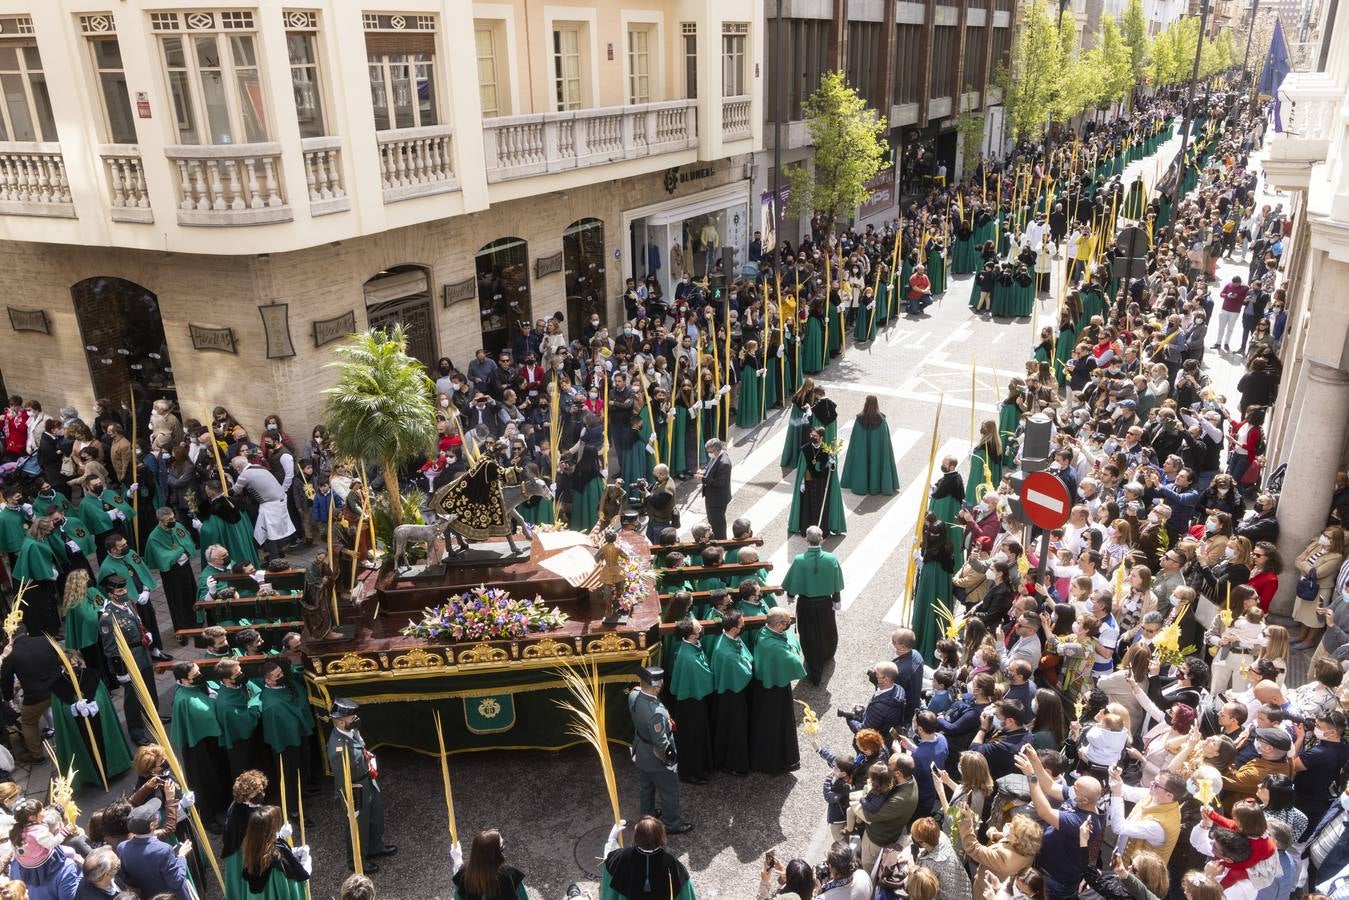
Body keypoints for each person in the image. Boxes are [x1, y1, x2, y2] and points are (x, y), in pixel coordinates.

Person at [327, 698, 397, 872]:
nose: (356, 719)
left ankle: (375, 847)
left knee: (375, 816)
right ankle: (357, 861)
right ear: (342, 722)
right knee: (358, 826)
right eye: (352, 717)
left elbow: (361, 749)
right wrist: (350, 802)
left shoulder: (352, 731)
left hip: (368, 780)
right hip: (355, 788)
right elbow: (342, 778)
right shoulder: (338, 747)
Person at [627, 667, 693, 835]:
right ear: (656, 687)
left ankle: (647, 815)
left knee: (646, 787)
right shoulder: (655, 713)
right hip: (655, 758)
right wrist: (670, 761)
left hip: (641, 752)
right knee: (669, 791)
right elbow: (661, 743)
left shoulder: (634, 695)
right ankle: (672, 823)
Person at [97, 573, 159, 745]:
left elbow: (137, 622)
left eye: (124, 588)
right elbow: (110, 649)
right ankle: (136, 730)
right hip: (129, 659)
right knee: (132, 697)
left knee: (150, 687)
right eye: (120, 590)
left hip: (143, 653)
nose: (124, 591)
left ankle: (152, 717)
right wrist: (120, 672)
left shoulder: (128, 603)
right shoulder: (108, 618)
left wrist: (145, 633)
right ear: (110, 594)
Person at [168, 661, 230, 828]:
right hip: (198, 745)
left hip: (211, 740)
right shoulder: (183, 699)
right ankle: (208, 818)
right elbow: (204, 714)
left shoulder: (199, 687)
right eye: (194, 675)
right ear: (183, 680)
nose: (199, 676)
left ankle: (222, 807)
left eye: (199, 672)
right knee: (204, 780)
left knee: (218, 773)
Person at [749, 608, 807, 775]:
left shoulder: (764, 632)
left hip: (767, 685)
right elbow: (794, 660)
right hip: (775, 689)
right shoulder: (774, 647)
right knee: (777, 726)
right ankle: (776, 762)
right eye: (786, 623)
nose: (788, 626)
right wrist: (794, 647)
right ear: (778, 624)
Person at [782, 526, 843, 685]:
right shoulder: (831, 559)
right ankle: (826, 654)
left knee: (809, 634)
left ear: (806, 539)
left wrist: (790, 595)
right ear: (822, 538)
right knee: (827, 630)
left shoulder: (799, 560)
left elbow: (793, 581)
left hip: (806, 604)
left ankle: (813, 665)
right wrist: (836, 599)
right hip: (825, 603)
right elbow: (836, 582)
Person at [599, 816, 695, 899]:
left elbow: (609, 859)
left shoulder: (622, 857)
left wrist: (612, 838)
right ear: (661, 837)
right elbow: (685, 892)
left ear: (636, 837)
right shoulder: (671, 863)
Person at [115, 798, 193, 899]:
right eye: (155, 815)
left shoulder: (122, 847)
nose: (157, 815)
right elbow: (176, 881)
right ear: (152, 825)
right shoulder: (164, 850)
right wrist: (182, 856)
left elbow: (127, 877)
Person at [667, 620, 714, 785]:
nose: (701, 628)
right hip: (691, 703)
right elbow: (706, 677)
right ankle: (692, 773)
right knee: (693, 737)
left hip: (690, 700)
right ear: (692, 635)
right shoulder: (689, 659)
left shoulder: (689, 646)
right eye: (697, 628)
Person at [141, 507, 199, 634]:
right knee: (176, 600)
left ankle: (196, 621)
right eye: (168, 520)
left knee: (190, 593)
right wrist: (179, 552)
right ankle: (181, 629)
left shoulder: (177, 526)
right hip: (171, 573)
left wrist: (185, 552)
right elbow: (162, 556)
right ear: (160, 521)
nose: (172, 521)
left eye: (173, 517)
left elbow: (187, 541)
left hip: (185, 567)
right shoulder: (154, 537)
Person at [710, 610, 753, 776]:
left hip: (730, 691)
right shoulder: (725, 653)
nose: (743, 625)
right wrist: (747, 663)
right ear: (734, 629)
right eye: (741, 624)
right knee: (735, 729)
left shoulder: (729, 637)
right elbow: (744, 671)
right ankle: (734, 764)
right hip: (731, 696)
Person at [230, 457, 295, 560]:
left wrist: (229, 480)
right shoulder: (259, 467)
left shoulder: (245, 475)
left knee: (269, 532)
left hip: (270, 504)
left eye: (234, 468)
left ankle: (275, 558)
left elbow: (235, 491)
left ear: (238, 467)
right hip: (279, 500)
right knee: (269, 530)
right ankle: (277, 553)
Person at [240, 805, 311, 900]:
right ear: (271, 829)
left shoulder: (251, 848)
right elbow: (293, 886)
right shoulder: (276, 860)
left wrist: (291, 850)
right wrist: (307, 861)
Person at [841, 396, 899, 495]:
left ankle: (861, 486)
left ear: (866, 403)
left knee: (862, 461)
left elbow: (855, 441)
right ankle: (875, 486)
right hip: (877, 453)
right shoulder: (881, 420)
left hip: (862, 453)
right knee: (876, 461)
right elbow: (885, 443)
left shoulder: (859, 419)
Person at [449, 829, 526, 900]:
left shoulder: (463, 874)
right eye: (501, 846)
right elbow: (523, 897)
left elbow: (458, 897)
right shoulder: (509, 874)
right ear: (496, 852)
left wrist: (457, 861)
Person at [698, 439, 731, 540]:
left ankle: (721, 542)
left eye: (710, 451)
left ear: (717, 450)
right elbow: (709, 468)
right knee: (712, 521)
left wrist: (703, 478)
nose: (709, 454)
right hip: (711, 497)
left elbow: (719, 482)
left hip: (718, 499)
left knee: (718, 525)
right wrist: (703, 472)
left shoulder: (724, 462)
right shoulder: (716, 456)